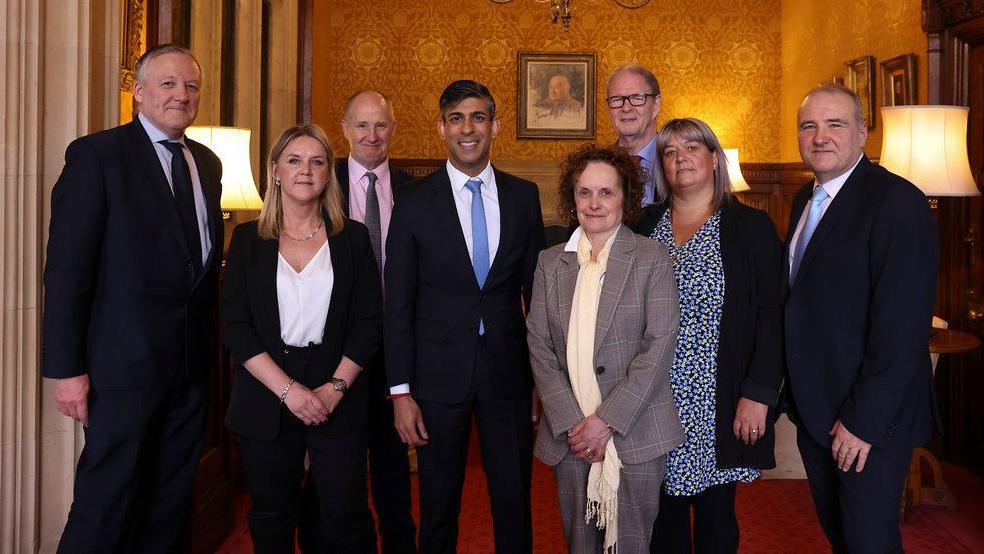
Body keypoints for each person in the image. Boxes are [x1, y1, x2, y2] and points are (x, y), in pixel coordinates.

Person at [41, 44, 222, 553]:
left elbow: (201, 269)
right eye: (167, 84)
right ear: (139, 92)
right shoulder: (96, 155)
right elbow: (67, 270)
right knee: (106, 503)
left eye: (190, 86)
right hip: (120, 371)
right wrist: (67, 370)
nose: (181, 95)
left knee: (167, 503)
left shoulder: (206, 163)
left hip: (187, 368)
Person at [384, 80, 545, 553]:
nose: (467, 128)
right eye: (456, 119)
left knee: (514, 504)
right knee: (437, 506)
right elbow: (399, 304)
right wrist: (400, 393)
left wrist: (542, 379)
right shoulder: (412, 202)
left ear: (494, 126)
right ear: (441, 128)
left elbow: (537, 295)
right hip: (436, 380)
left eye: (477, 117)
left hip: (509, 375)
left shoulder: (524, 196)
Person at [785, 85, 938, 552]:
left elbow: (902, 329)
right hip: (817, 412)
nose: (821, 136)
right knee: (842, 537)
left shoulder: (896, 202)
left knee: (869, 542)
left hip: (867, 419)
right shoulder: (802, 199)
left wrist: (863, 422)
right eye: (809, 125)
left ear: (862, 133)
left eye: (836, 124)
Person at [222, 124, 381, 553]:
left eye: (317, 161)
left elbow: (368, 323)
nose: (305, 171)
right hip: (267, 388)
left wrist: (335, 388)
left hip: (337, 388)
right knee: (272, 516)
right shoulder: (246, 241)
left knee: (345, 514)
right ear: (275, 170)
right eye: (294, 160)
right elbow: (235, 326)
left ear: (329, 173)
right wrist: (288, 391)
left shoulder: (353, 239)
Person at [630, 118, 784, 553]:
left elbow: (771, 317)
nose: (682, 159)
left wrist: (758, 394)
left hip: (719, 396)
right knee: (660, 517)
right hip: (652, 398)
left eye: (692, 148)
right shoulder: (644, 225)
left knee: (716, 518)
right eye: (671, 152)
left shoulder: (750, 227)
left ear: (714, 159)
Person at [527, 144, 684, 553]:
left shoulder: (652, 257)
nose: (594, 204)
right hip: (570, 435)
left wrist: (606, 421)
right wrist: (575, 424)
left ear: (625, 197)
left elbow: (660, 344)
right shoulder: (549, 263)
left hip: (636, 432)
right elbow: (539, 346)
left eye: (606, 192)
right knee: (580, 545)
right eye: (584, 192)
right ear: (571, 197)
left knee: (631, 545)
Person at [299, 90, 417, 554]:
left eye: (381, 125)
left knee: (393, 465)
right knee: (331, 467)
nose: (372, 136)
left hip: (395, 349)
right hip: (334, 352)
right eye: (361, 126)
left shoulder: (415, 191)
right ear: (344, 130)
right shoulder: (319, 186)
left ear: (393, 130)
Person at [606, 64, 663, 206]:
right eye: (617, 99)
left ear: (656, 105)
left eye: (637, 98)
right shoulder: (594, 168)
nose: (626, 108)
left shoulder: (678, 163)